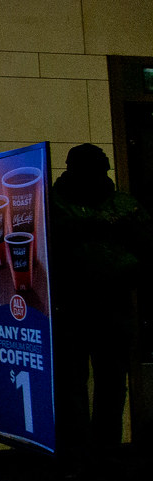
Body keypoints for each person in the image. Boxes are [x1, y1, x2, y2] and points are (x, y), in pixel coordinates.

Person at [51, 143, 152, 461]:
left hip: (85, 304)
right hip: (94, 304)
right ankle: (95, 452)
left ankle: (89, 452)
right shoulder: (122, 206)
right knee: (95, 383)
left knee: (88, 383)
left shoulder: (53, 204)